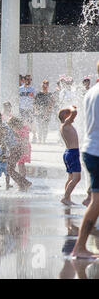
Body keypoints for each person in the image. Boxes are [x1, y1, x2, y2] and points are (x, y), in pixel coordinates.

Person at [72, 61, 99, 259]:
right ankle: (80, 247)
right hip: (97, 151)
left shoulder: (92, 92)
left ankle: (80, 247)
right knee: (96, 202)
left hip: (90, 149)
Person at [0, 111, 32, 191]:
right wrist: (21, 143)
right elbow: (15, 134)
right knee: (10, 169)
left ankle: (24, 183)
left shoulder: (2, 128)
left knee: (9, 169)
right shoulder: (5, 125)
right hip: (17, 148)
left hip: (15, 149)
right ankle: (23, 184)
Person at [58, 106, 81, 206]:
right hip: (72, 153)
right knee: (77, 178)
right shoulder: (66, 123)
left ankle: (67, 198)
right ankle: (65, 197)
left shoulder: (64, 125)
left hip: (68, 152)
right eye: (68, 112)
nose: (70, 114)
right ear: (64, 116)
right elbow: (75, 112)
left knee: (70, 178)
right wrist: (71, 107)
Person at [19, 75, 36, 143]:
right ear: (24, 80)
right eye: (27, 79)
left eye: (30, 80)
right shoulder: (20, 89)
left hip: (30, 109)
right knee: (23, 123)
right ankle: (24, 136)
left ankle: (34, 135)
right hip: (22, 108)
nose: (29, 81)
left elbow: (34, 99)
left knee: (31, 123)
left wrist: (35, 108)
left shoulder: (32, 89)